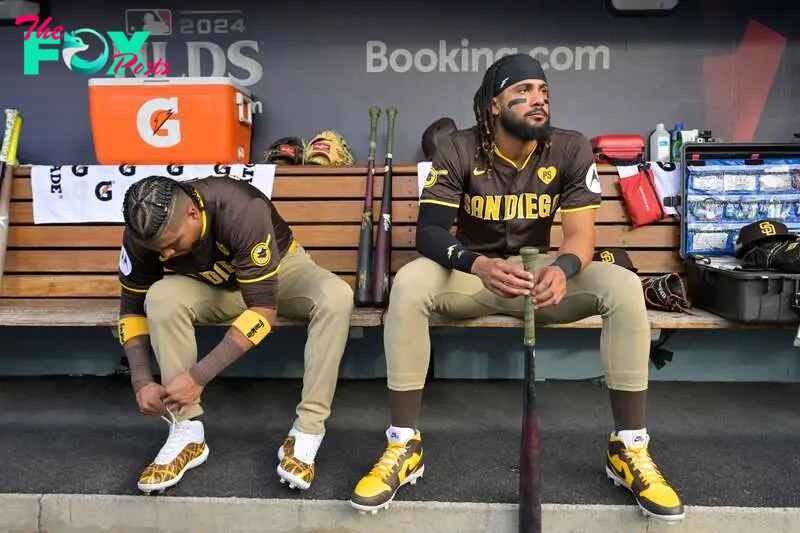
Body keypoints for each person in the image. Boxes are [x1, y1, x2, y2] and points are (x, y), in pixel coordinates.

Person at [349, 53, 684, 522]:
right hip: (474, 274)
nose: (537, 100)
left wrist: (563, 269)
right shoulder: (458, 148)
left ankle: (629, 449)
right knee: (409, 283)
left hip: (540, 277)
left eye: (543, 91)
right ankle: (404, 444)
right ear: (493, 104)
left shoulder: (569, 148)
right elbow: (428, 233)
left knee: (623, 286)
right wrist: (476, 263)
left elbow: (582, 236)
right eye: (522, 92)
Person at [116, 174, 353, 494]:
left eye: (173, 243)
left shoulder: (241, 208)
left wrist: (198, 375)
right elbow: (131, 310)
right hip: (217, 286)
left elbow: (262, 311)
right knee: (159, 297)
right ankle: (186, 431)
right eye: (160, 250)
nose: (168, 254)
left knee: (336, 297)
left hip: (281, 272)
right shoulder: (142, 234)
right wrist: (141, 379)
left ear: (193, 215)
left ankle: (307, 431)